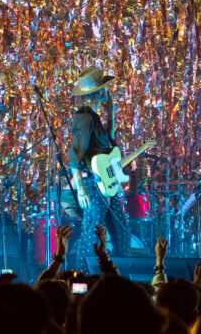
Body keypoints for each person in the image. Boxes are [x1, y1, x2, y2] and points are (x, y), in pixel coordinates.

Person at [69, 66, 130, 272]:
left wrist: (110, 113)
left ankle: (120, 280)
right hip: (92, 185)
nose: (108, 90)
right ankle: (81, 283)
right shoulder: (84, 117)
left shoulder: (94, 117)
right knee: (91, 235)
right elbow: (75, 152)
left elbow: (108, 146)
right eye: (105, 87)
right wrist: (80, 187)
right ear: (97, 92)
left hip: (105, 183)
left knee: (122, 233)